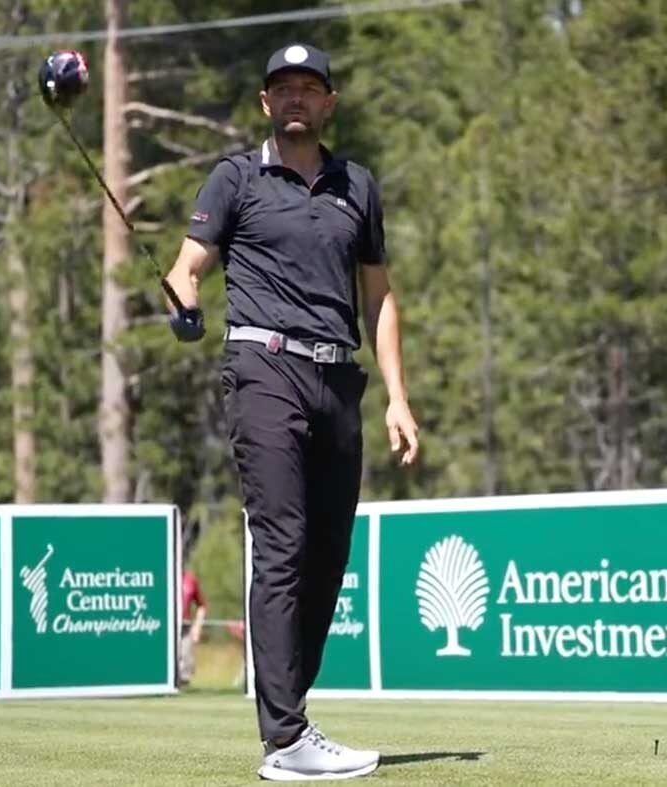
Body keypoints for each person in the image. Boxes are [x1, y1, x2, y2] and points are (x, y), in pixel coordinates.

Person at [164, 42, 419, 780]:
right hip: (263, 366)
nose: (297, 98)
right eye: (285, 88)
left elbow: (380, 295)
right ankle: (284, 738)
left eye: (311, 87)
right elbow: (188, 267)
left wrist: (399, 395)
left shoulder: (357, 186)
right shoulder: (236, 178)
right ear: (265, 104)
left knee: (328, 557)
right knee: (282, 540)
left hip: (340, 381)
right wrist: (182, 298)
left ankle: (292, 718)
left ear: (329, 102)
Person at [177, 568, 207, 687]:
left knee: (186, 659)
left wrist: (197, 627)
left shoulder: (190, 580)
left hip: (185, 625)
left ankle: (182, 686)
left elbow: (202, 605)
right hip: (168, 627)